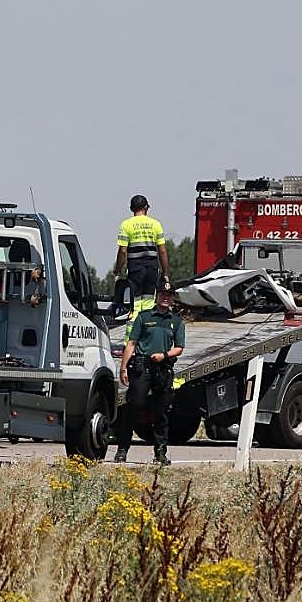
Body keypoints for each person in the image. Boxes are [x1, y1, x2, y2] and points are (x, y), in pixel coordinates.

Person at [113, 285, 185, 465]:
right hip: (142, 367)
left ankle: (160, 453)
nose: (165, 298)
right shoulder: (144, 317)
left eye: (169, 295)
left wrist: (165, 355)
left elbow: (179, 348)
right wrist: (123, 368)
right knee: (134, 406)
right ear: (157, 296)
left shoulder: (176, 321)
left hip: (163, 368)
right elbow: (131, 343)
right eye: (162, 294)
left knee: (161, 412)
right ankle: (122, 450)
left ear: (173, 298)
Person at [114, 195, 170, 339]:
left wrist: (118, 270)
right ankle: (147, 339)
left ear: (131, 208)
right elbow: (162, 251)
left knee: (135, 305)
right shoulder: (155, 224)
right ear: (146, 208)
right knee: (148, 305)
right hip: (152, 269)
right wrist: (165, 272)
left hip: (135, 270)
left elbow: (123, 251)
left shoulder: (126, 225)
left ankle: (130, 341)